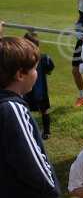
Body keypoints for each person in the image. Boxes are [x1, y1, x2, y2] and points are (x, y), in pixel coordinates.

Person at [0, 37, 60, 197]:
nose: (36, 73)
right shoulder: (12, 109)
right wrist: (54, 191)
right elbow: (33, 164)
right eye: (35, 68)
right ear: (20, 74)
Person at [24, 32, 55, 140]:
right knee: (43, 110)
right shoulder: (43, 57)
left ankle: (39, 131)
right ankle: (46, 132)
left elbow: (50, 66)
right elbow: (51, 66)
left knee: (29, 110)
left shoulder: (26, 58)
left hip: (30, 91)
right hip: (39, 91)